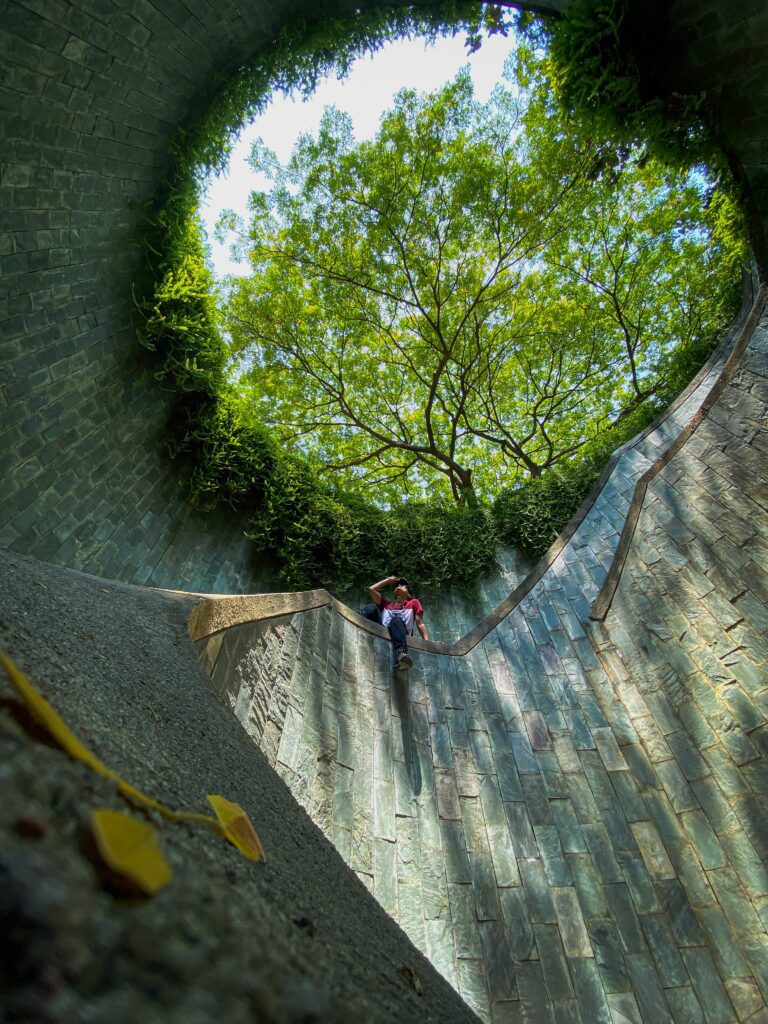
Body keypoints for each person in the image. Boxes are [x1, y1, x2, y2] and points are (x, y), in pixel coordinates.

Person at [361, 575, 428, 671]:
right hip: (384, 631)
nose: (399, 585)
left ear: (409, 595)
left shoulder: (413, 603)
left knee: (396, 620)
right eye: (398, 585)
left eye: (403, 585)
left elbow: (420, 623)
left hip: (402, 634)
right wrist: (388, 580)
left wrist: (427, 642)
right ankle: (355, 619)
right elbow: (372, 589)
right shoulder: (386, 604)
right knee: (371, 608)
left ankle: (401, 655)